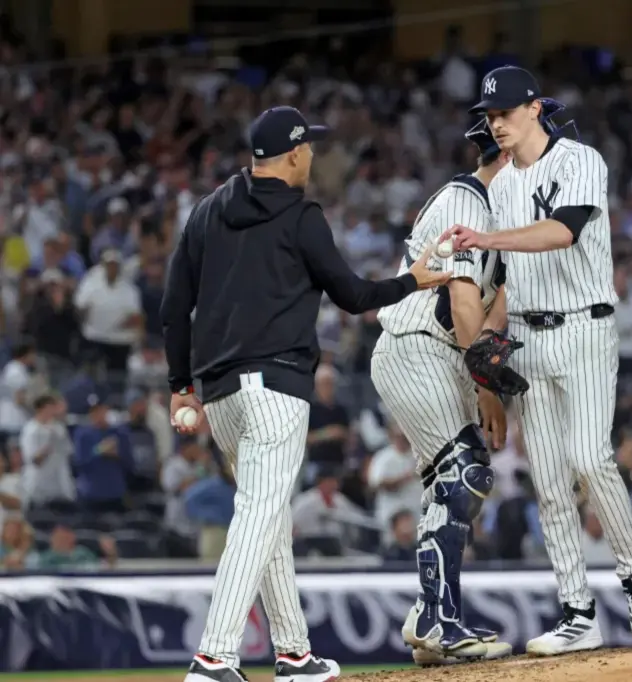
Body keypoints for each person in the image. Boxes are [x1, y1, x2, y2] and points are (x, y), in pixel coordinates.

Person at [160, 105, 450, 682]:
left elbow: (174, 307)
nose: (313, 154)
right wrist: (412, 281)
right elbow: (351, 295)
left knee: (268, 520)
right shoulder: (301, 215)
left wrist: (178, 387)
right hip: (275, 388)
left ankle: (294, 653)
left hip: (219, 397)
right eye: (309, 146)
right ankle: (214, 656)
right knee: (259, 515)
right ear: (293, 153)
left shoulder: (205, 212)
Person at [443, 65, 632, 655]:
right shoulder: (500, 186)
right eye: (489, 116)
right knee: (547, 479)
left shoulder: (581, 160)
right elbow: (512, 281)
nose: (496, 123)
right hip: (528, 337)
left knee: (591, 459)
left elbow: (562, 231)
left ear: (535, 109)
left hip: (586, 328)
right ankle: (576, 609)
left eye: (506, 113)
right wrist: (485, 343)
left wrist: (485, 239)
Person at [370, 119, 513, 666]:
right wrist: (489, 389)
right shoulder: (467, 200)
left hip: (438, 356)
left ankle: (429, 614)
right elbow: (461, 304)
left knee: (450, 485)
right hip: (417, 345)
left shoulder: (494, 214)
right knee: (464, 472)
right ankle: (437, 618)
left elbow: (490, 305)